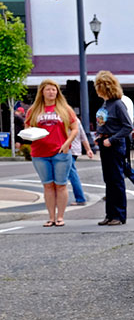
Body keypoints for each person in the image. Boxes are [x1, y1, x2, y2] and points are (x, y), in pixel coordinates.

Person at [24, 79, 79, 227]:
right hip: (40, 152)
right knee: (47, 185)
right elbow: (27, 128)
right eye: (48, 89)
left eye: (54, 89)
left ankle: (60, 216)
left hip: (60, 151)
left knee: (60, 185)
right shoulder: (34, 110)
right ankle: (51, 217)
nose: (51, 92)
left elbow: (75, 128)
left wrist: (68, 142)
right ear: (42, 91)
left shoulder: (65, 109)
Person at [94, 71, 134, 226]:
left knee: (116, 181)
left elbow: (128, 126)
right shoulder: (105, 104)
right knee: (109, 180)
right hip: (105, 144)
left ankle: (119, 215)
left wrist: (112, 139)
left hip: (114, 145)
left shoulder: (117, 104)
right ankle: (110, 214)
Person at [68, 112, 94, 206]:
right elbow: (83, 136)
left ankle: (80, 198)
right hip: (74, 149)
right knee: (70, 173)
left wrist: (88, 149)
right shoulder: (76, 119)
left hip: (68, 149)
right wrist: (88, 149)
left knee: (71, 173)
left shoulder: (65, 119)